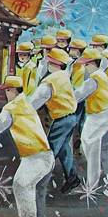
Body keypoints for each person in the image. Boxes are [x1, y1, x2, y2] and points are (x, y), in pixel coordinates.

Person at [0, 76, 54, 217]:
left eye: (7, 90)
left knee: (21, 185)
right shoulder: (27, 104)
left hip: (35, 157)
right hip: (45, 156)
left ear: (12, 90)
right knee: (35, 189)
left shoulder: (12, 108)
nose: (6, 94)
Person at [29, 48, 80, 194]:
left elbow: (35, 102)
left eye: (49, 62)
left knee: (50, 151)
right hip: (71, 117)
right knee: (64, 148)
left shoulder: (50, 81)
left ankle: (39, 183)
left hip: (62, 119)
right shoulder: (64, 76)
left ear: (53, 64)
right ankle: (72, 177)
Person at [74, 49, 108, 190]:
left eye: (86, 64)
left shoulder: (93, 80)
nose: (85, 67)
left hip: (98, 116)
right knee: (105, 145)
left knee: (90, 145)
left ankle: (92, 184)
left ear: (92, 63)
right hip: (107, 113)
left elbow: (78, 95)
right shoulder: (102, 75)